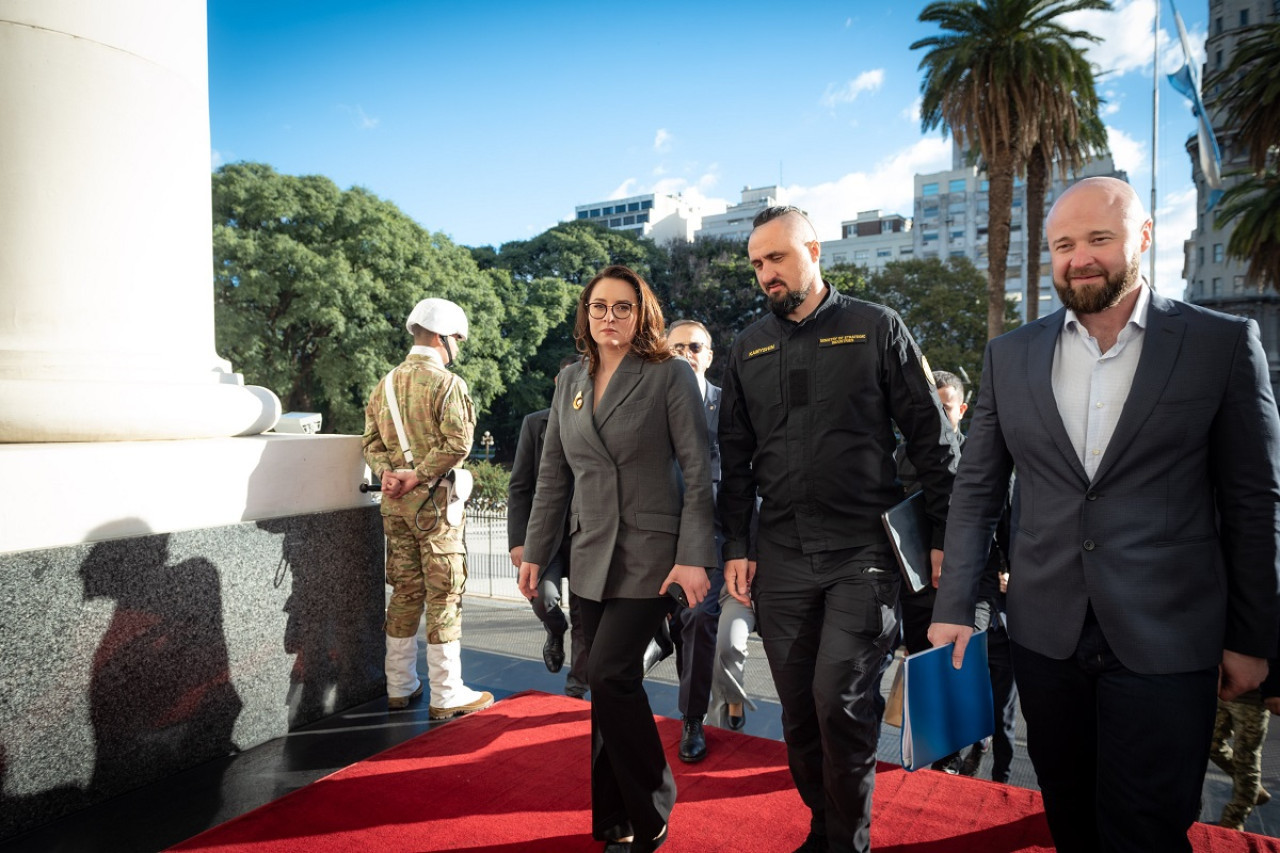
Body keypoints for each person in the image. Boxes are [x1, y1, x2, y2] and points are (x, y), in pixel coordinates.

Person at [930, 176, 1280, 853]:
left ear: (1142, 238)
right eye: (1063, 244)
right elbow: (975, 490)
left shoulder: (1221, 343)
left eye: (1098, 239)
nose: (1079, 258)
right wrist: (954, 608)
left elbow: (1253, 500)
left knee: (1145, 828)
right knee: (1070, 815)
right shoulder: (1011, 355)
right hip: (1045, 635)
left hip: (1168, 638)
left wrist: (1252, 635)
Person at [718, 206, 960, 853]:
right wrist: (737, 545)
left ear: (815, 251)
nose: (767, 272)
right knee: (798, 711)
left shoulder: (876, 327)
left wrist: (945, 540)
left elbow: (937, 441)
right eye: (758, 263)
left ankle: (844, 840)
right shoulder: (745, 346)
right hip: (782, 554)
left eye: (778, 257)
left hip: (864, 553)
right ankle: (824, 825)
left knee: (839, 702)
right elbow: (734, 458)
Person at [518, 265, 716, 853]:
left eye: (623, 307)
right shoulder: (568, 381)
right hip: (588, 555)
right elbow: (553, 476)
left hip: (652, 555)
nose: (610, 317)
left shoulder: (668, 376)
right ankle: (613, 820)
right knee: (602, 689)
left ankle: (653, 805)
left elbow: (700, 472)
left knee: (611, 675)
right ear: (586, 314)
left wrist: (694, 557)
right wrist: (537, 552)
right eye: (600, 307)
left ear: (642, 313)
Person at [362, 298, 494, 719]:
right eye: (458, 339)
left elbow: (371, 445)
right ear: (441, 337)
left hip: (395, 506)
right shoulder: (448, 384)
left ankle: (400, 686)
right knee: (444, 595)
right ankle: (446, 692)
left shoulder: (382, 385)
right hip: (435, 509)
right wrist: (417, 475)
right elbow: (458, 443)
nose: (459, 346)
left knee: (404, 593)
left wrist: (390, 475)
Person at [655, 319, 724, 763]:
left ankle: (692, 718)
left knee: (698, 618)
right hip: (656, 535)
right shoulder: (648, 402)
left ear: (710, 354)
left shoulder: (731, 404)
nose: (686, 354)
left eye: (694, 346)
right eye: (676, 347)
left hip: (712, 537)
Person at [508, 354, 591, 699]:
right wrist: (517, 542)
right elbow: (520, 486)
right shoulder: (535, 424)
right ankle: (556, 629)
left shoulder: (601, 422)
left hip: (589, 535)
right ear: (559, 384)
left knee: (588, 620)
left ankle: (577, 688)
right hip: (548, 537)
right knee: (544, 599)